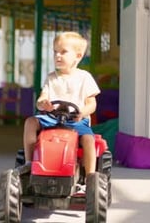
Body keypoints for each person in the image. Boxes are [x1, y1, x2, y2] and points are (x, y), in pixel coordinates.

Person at [19, 31, 100, 181]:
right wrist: (43, 104)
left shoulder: (85, 77)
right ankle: (29, 162)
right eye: (55, 52)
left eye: (63, 52)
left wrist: (82, 112)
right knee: (30, 122)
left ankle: (90, 177)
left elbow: (92, 104)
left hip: (75, 120)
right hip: (51, 118)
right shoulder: (51, 78)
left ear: (78, 56)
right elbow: (41, 99)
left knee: (89, 139)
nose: (57, 56)